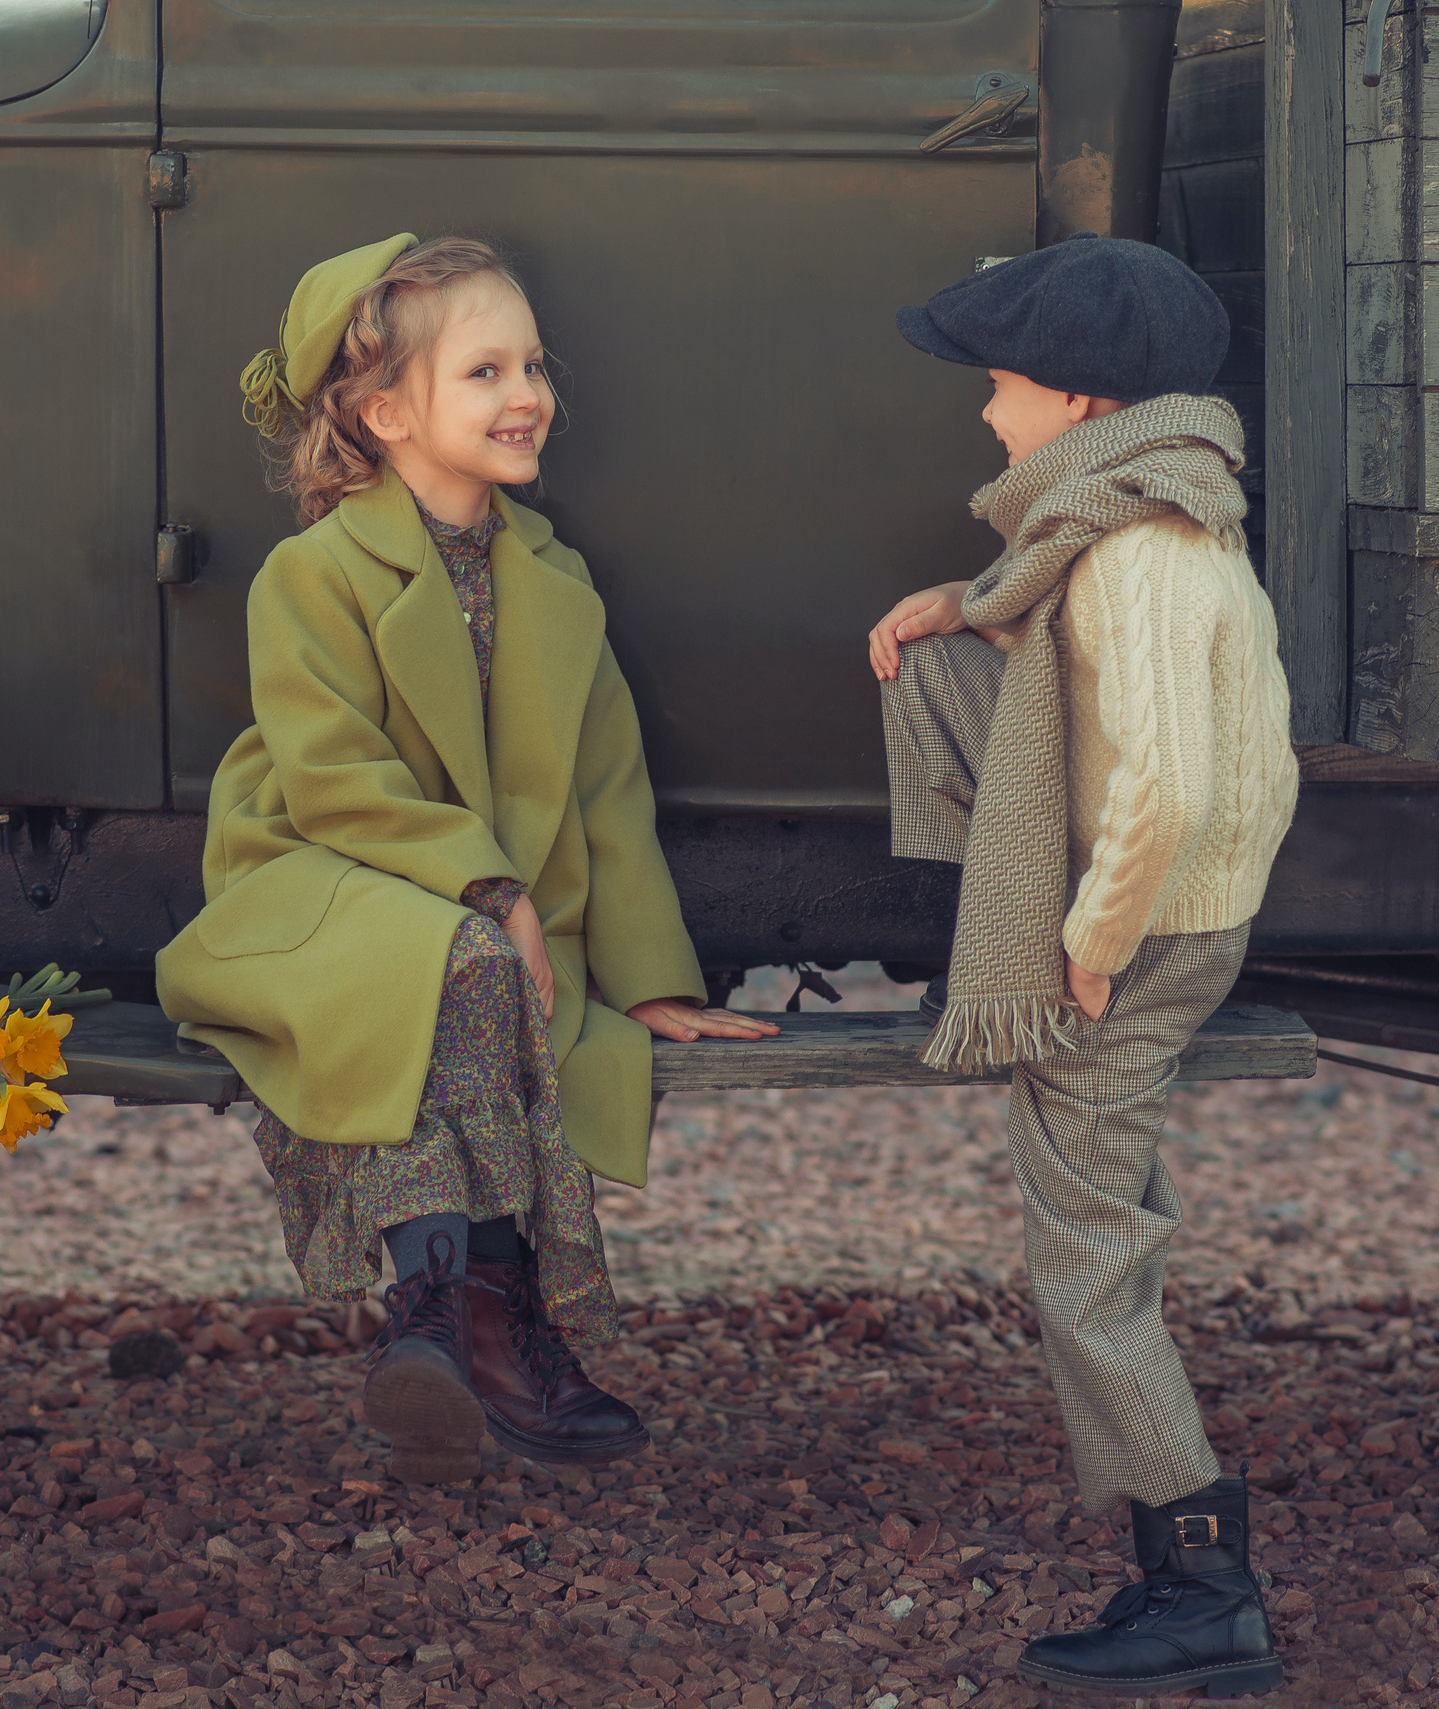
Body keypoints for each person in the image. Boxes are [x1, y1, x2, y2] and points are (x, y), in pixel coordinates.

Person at [157, 234, 775, 1484]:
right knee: (457, 958)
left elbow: (608, 791)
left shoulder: (554, 579)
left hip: (461, 905)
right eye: (484, 371)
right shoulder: (312, 573)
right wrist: (489, 886)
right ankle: (468, 1310)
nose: (527, 395)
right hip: (319, 869)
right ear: (386, 412)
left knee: (478, 968)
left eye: (533, 364)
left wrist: (652, 975)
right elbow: (332, 775)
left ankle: (456, 1320)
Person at [867, 233, 1300, 1698]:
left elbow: (1166, 789)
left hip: (1149, 930)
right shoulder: (1157, 513)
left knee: (1087, 1258)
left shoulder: (1135, 565)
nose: (988, 416)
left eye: (1002, 388)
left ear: (1079, 408)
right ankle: (979, 958)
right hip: (1185, 917)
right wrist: (963, 608)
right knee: (935, 661)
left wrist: (1087, 951)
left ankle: (1202, 1587)